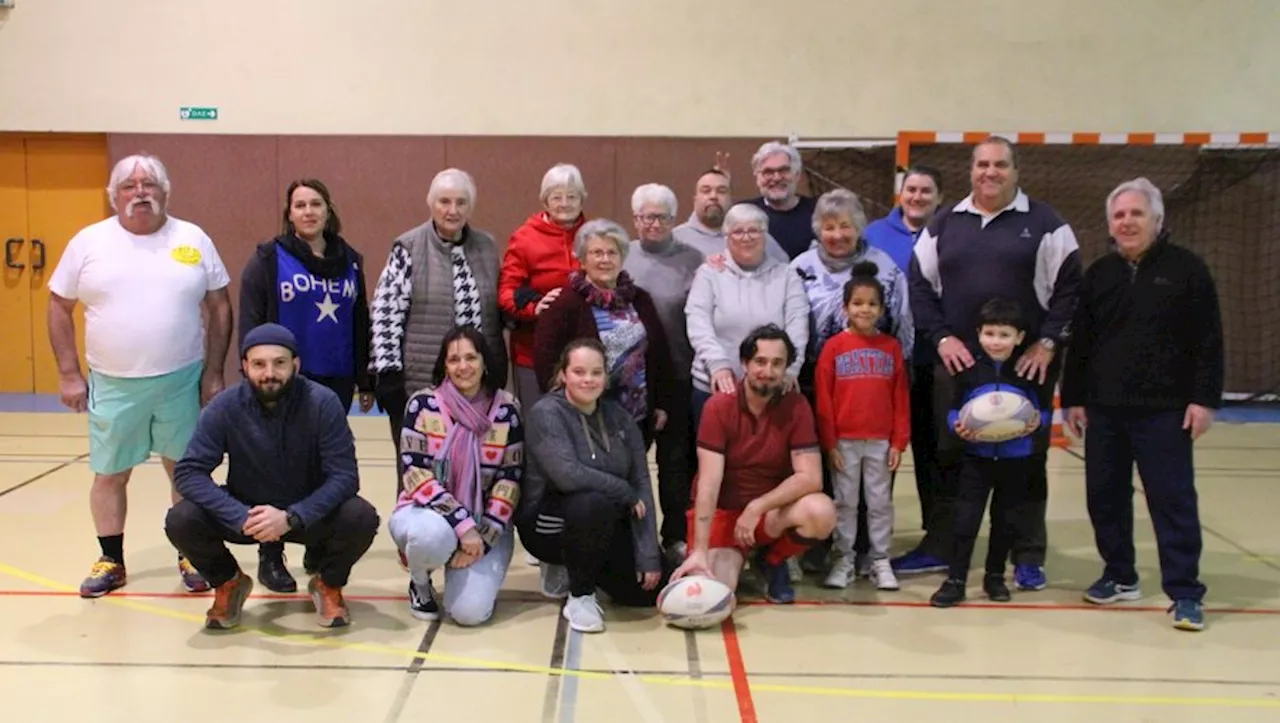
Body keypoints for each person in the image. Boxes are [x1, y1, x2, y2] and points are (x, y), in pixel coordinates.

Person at [46, 153, 233, 598]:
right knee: (111, 474)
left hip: (181, 380)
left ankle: (191, 554)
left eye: (149, 184)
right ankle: (111, 558)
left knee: (185, 472)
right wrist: (70, 374)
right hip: (113, 383)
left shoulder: (193, 238)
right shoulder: (88, 243)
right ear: (113, 197)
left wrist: (213, 372)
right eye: (128, 187)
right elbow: (58, 305)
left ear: (165, 192)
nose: (140, 193)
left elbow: (220, 305)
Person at [906, 136, 1081, 589]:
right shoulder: (944, 223)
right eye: (982, 164)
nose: (990, 172)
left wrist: (1046, 343)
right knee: (950, 458)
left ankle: (1027, 556)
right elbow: (919, 286)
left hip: (1026, 369)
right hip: (959, 366)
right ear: (971, 170)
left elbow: (1069, 290)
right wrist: (942, 337)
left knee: (1024, 462)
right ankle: (942, 545)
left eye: (1000, 164)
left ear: (1016, 170)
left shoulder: (1047, 224)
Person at [1062, 177, 1223, 632]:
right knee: (1104, 497)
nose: (1127, 222)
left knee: (1172, 501)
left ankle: (1186, 592)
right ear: (1110, 225)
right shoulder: (1101, 274)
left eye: (1136, 213)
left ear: (1157, 219)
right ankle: (1120, 575)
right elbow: (1083, 344)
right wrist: (1074, 397)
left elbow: (1209, 340)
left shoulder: (1187, 269)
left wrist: (1204, 400)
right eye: (1119, 215)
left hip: (1166, 411)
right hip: (1105, 412)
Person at [166, 324, 379, 630]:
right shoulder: (224, 406)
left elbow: (345, 477)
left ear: (296, 364)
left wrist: (292, 517)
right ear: (244, 366)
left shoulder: (323, 403)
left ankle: (328, 584)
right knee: (181, 518)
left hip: (307, 513)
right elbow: (188, 473)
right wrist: (238, 514)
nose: (269, 373)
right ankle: (228, 582)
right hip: (247, 513)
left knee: (361, 516)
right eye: (259, 364)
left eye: (279, 363)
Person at [238, 178, 374, 593]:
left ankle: (316, 540)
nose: (309, 212)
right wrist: (252, 371)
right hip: (286, 380)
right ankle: (271, 552)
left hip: (335, 378)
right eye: (300, 205)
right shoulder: (268, 258)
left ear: (328, 210)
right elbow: (251, 319)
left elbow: (360, 320)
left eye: (316, 204)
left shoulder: (350, 259)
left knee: (323, 465)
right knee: (277, 464)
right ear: (290, 212)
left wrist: (365, 379)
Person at [672, 325, 837, 604]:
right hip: (723, 514)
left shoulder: (796, 406)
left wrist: (757, 506)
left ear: (786, 368)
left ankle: (771, 561)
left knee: (821, 510)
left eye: (777, 363)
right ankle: (701, 553)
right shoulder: (719, 407)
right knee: (713, 596)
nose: (768, 371)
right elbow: (709, 483)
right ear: (745, 363)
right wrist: (700, 549)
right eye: (760, 361)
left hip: (766, 515)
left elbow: (811, 478)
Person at [516, 338, 665, 633]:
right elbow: (568, 475)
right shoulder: (546, 413)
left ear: (605, 376)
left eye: (596, 372)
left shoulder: (620, 417)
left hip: (606, 520)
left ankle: (589, 565)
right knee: (590, 502)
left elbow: (641, 483)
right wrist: (624, 493)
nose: (588, 379)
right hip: (549, 524)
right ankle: (580, 594)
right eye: (579, 372)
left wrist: (648, 555)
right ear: (563, 374)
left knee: (649, 593)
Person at [387, 326, 523, 626]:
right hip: (424, 514)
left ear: (485, 362)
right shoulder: (422, 405)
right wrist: (464, 527)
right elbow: (415, 475)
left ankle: (459, 568)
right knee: (430, 537)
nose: (463, 367)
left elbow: (509, 483)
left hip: (486, 525)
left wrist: (483, 539)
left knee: (468, 614)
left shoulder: (507, 410)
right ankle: (420, 582)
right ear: (444, 365)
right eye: (454, 360)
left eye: (471, 357)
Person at [370, 168, 508, 453]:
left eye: (461, 202)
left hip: (478, 386)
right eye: (444, 201)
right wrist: (388, 373)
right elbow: (385, 313)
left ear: (471, 207)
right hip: (419, 385)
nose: (453, 210)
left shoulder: (487, 246)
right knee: (418, 473)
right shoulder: (408, 246)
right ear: (431, 204)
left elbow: (499, 309)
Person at [929, 300, 1051, 607]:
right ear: (979, 334)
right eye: (990, 333)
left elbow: (1044, 411)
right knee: (966, 521)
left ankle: (994, 578)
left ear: (1020, 337)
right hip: (976, 459)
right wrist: (957, 426)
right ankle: (955, 580)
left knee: (1005, 521)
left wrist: (1038, 423)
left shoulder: (1027, 370)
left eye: (1004, 334)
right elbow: (954, 409)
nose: (996, 341)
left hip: (1016, 460)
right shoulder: (970, 371)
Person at [533, 218, 676, 447]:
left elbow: (660, 354)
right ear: (582, 258)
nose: (605, 259)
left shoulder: (640, 299)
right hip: (584, 416)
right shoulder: (563, 303)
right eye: (596, 253)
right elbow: (545, 361)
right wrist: (565, 408)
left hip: (636, 415)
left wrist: (662, 401)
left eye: (612, 252)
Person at [622, 183, 706, 560]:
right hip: (630, 380)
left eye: (661, 217)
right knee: (629, 462)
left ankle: (674, 536)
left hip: (678, 375)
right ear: (635, 219)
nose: (653, 223)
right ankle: (631, 537)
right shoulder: (621, 255)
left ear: (674, 220)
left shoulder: (694, 259)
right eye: (645, 216)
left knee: (675, 464)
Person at [814, 262, 910, 591]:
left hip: (881, 441)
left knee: (880, 501)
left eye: (872, 304)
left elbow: (901, 398)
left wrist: (899, 441)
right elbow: (823, 401)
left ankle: (880, 559)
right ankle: (844, 558)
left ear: (882, 309)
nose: (864, 309)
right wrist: (830, 443)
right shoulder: (833, 348)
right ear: (845, 308)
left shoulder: (891, 348)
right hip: (844, 442)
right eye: (858, 303)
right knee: (845, 502)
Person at [863, 166, 944, 541]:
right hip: (881, 364)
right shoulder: (874, 235)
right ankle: (869, 538)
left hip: (934, 360)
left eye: (926, 191)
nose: (917, 197)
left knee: (933, 451)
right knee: (880, 453)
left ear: (939, 197)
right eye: (911, 189)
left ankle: (937, 535)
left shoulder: (952, 232)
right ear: (900, 193)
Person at [498, 163, 588, 411]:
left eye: (572, 196)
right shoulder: (524, 238)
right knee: (538, 426)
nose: (565, 203)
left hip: (584, 355)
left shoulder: (593, 235)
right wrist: (534, 307)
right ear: (545, 201)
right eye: (556, 197)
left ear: (582, 200)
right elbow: (507, 292)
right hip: (533, 353)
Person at [746, 142, 819, 259]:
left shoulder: (818, 212)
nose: (776, 178)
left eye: (784, 170)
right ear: (757, 177)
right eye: (768, 172)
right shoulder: (745, 213)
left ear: (797, 175)